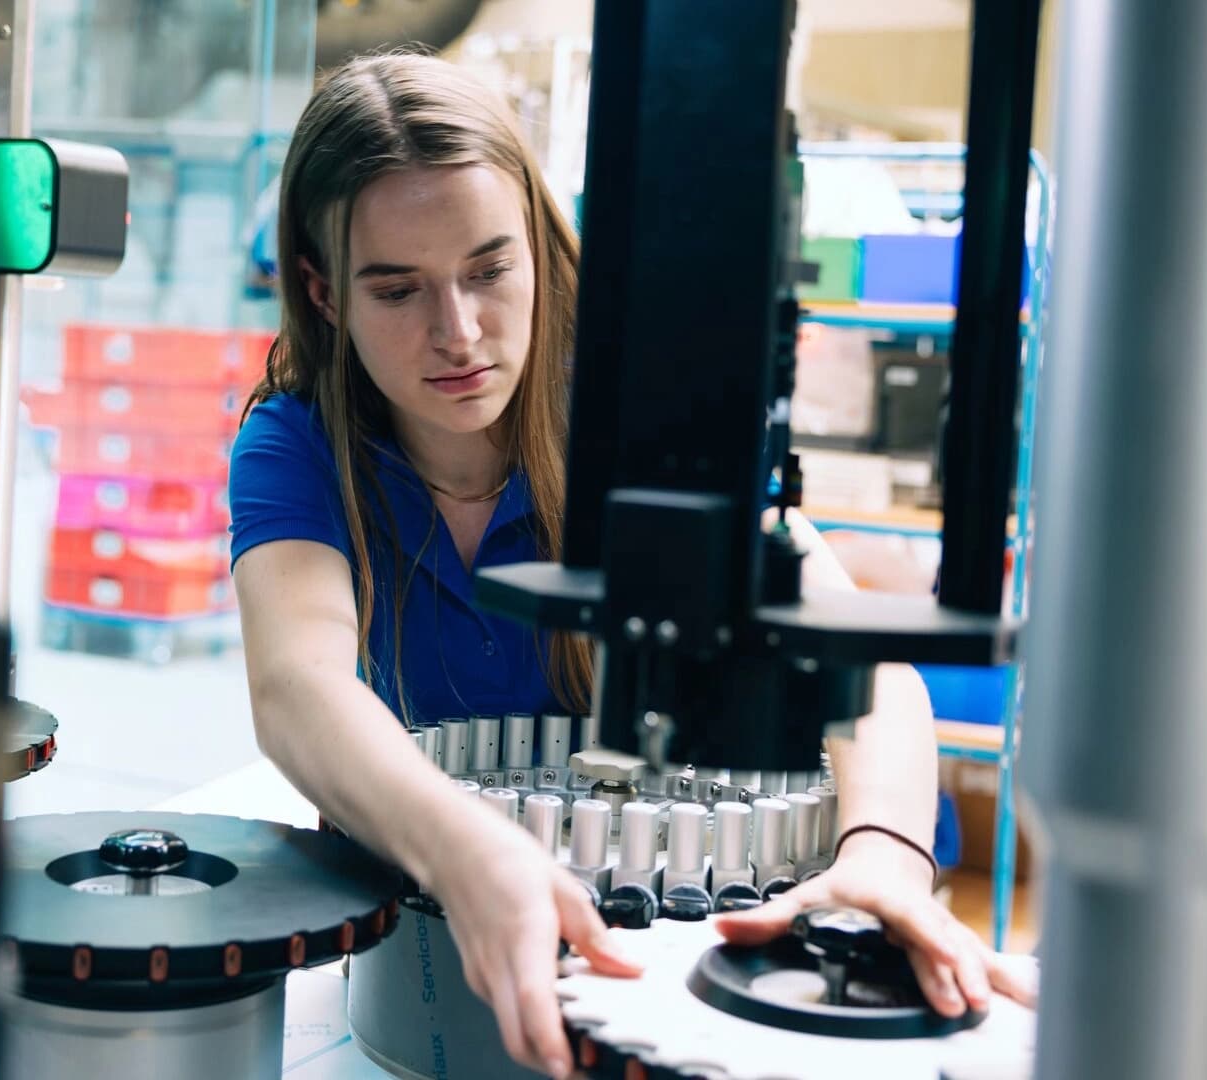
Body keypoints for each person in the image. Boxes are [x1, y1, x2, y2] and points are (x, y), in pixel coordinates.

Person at [228, 52, 1026, 1080]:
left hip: (684, 964)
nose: (458, 331)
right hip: (424, 982)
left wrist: (882, 856)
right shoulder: (298, 446)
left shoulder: (634, 427)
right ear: (322, 292)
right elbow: (297, 688)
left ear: (537, 244)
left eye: (487, 269)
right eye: (397, 288)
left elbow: (862, 673)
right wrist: (465, 850)